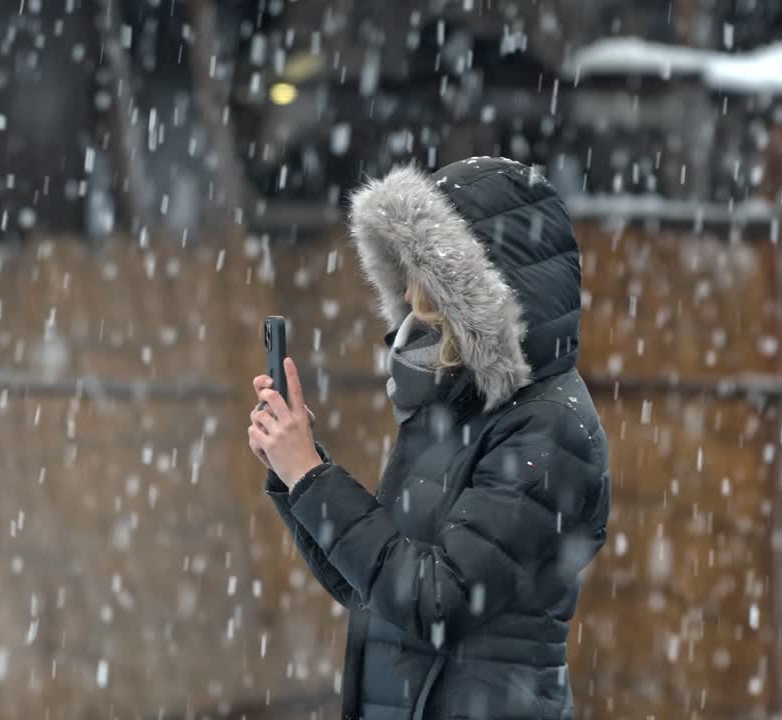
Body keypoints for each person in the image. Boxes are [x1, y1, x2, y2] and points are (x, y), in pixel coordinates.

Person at [247, 157, 611, 720]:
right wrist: (297, 470)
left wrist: (313, 479)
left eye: (428, 269)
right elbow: (373, 589)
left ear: (484, 286)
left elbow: (435, 600)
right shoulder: (455, 406)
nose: (415, 290)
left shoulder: (548, 427)